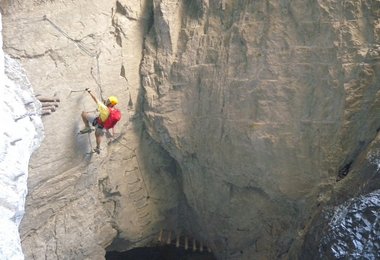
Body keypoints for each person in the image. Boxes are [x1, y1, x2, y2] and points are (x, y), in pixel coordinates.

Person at [80, 88, 119, 154]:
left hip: (98, 123)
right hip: (104, 127)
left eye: (108, 100)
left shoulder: (104, 108)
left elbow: (95, 99)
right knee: (99, 136)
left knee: (83, 114)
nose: (107, 100)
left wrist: (90, 92)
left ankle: (87, 127)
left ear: (110, 103)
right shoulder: (114, 110)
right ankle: (98, 148)